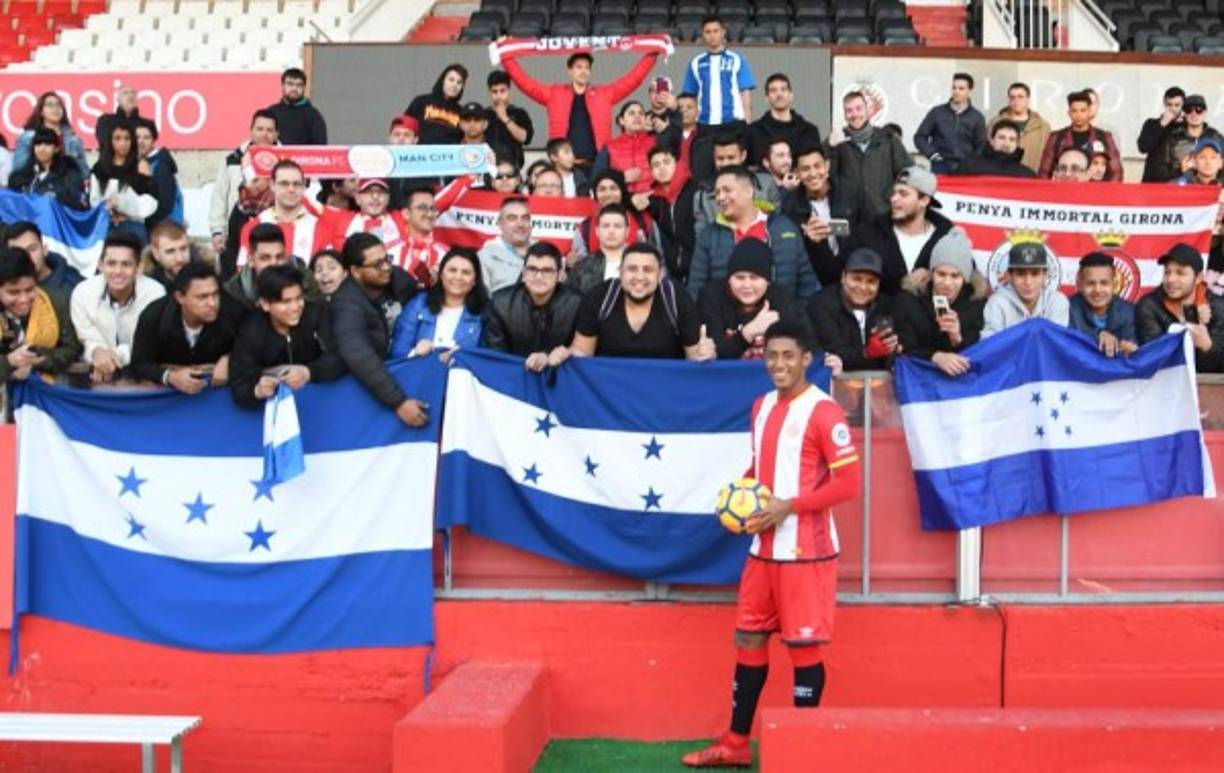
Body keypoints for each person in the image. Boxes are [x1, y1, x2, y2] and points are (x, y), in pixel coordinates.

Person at [680, 320, 860, 770]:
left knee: (803, 646)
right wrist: (737, 498)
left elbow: (849, 485)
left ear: (806, 360)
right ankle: (736, 744)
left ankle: (803, 753)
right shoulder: (760, 405)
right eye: (771, 356)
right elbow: (761, 467)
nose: (778, 364)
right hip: (763, 548)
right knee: (748, 635)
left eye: (788, 356)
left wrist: (790, 507)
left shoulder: (824, 412)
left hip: (807, 551)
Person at [329, 232, 427, 426]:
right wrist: (398, 402)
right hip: (376, 390)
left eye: (387, 259)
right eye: (377, 264)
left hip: (409, 370)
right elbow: (358, 354)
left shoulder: (397, 278)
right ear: (355, 271)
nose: (386, 268)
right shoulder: (346, 304)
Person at [502, 48, 659, 165]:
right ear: (570, 71)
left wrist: (653, 53)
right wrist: (505, 56)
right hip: (563, 164)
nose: (583, 71)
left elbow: (633, 79)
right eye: (579, 67)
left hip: (598, 163)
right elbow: (524, 83)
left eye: (586, 67)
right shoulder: (554, 93)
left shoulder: (604, 94)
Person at [688, 165, 819, 301]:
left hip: (783, 318)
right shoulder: (709, 236)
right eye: (717, 192)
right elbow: (696, 290)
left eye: (727, 190)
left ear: (749, 191)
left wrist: (795, 318)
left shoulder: (784, 227)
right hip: (727, 320)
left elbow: (808, 284)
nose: (720, 198)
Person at [567, 242, 713, 360]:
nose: (640, 277)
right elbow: (582, 353)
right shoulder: (599, 297)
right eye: (632, 269)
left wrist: (706, 353)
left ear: (660, 275)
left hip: (664, 390)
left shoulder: (677, 299)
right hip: (609, 391)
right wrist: (563, 354)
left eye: (648, 269)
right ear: (620, 272)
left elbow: (695, 358)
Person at [228, 264, 344, 409]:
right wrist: (257, 390)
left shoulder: (317, 315)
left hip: (321, 405)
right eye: (286, 302)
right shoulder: (251, 332)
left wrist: (308, 372)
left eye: (299, 298)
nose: (295, 307)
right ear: (265, 304)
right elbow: (239, 384)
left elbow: (340, 357)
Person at [697, 238, 820, 362]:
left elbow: (810, 347)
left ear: (767, 282)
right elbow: (715, 354)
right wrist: (749, 332)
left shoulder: (782, 300)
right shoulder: (712, 297)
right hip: (726, 378)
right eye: (740, 278)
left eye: (754, 278)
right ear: (729, 279)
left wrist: (829, 360)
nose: (747, 285)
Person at [130, 261, 245, 393]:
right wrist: (169, 376)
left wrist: (231, 359)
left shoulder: (234, 313)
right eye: (202, 297)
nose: (212, 303)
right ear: (180, 297)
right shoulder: (155, 316)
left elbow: (256, 349)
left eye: (215, 294)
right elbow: (139, 363)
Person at [69, 231, 165, 383]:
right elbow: (87, 339)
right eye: (111, 264)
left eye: (126, 264)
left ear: (139, 267)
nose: (118, 272)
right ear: (100, 265)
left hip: (145, 375)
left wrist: (110, 356)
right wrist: (96, 351)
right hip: (98, 376)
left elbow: (149, 345)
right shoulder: (82, 293)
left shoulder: (155, 294)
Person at [842, 167, 953, 296]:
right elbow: (837, 274)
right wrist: (818, 244)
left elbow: (962, 277)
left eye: (903, 194)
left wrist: (933, 275)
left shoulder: (946, 236)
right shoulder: (869, 231)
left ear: (924, 201)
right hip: (879, 314)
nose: (894, 199)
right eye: (894, 193)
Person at [891, 228, 987, 376]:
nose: (947, 283)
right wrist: (935, 357)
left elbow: (979, 355)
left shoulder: (976, 305)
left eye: (955, 276)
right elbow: (903, 347)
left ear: (966, 278)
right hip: (918, 381)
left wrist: (957, 338)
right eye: (941, 274)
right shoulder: (908, 300)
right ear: (931, 273)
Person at [483, 242, 581, 370]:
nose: (539, 276)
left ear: (560, 275)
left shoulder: (578, 303)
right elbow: (495, 357)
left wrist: (551, 356)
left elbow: (583, 352)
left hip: (560, 377)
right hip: (512, 377)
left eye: (547, 270)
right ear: (523, 273)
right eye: (532, 269)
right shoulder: (500, 303)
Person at [807, 248, 905, 371]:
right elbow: (833, 352)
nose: (863, 287)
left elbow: (897, 352)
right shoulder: (821, 304)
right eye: (857, 279)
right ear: (843, 277)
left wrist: (892, 349)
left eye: (871, 281)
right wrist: (867, 353)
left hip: (880, 383)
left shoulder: (887, 305)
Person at [1136, 243, 1224, 373]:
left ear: (1199, 278)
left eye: (1180, 273)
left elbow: (1219, 368)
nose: (1171, 279)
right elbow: (1155, 360)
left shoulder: (1218, 306)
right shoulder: (1149, 305)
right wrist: (1186, 327)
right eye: (1167, 272)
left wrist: (1206, 346)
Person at [827, 91, 911, 226]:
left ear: (868, 110)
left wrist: (892, 196)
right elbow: (825, 176)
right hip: (849, 217)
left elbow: (907, 172)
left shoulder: (888, 138)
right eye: (849, 110)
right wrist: (829, 147)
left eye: (859, 108)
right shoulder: (836, 141)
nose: (854, 114)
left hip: (883, 214)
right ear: (844, 115)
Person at [0, 245, 82, 383]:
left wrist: (37, 359)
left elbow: (72, 349)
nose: (23, 299)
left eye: (30, 289)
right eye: (13, 292)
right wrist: (9, 362)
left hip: (44, 388)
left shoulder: (56, 301)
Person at [390, 247, 487, 358]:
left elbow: (487, 362)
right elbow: (397, 353)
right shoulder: (419, 304)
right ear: (441, 274)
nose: (458, 277)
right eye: (452, 270)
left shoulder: (485, 313)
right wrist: (415, 353)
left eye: (466, 272)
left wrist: (460, 358)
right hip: (418, 372)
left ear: (475, 280)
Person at [209, 109, 279, 261]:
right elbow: (219, 197)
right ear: (251, 130)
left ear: (276, 134)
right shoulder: (233, 159)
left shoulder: (286, 162)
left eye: (269, 130)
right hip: (235, 232)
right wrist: (217, 231)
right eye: (259, 129)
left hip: (274, 232)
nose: (264, 134)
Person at [781, 143, 851, 289]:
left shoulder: (850, 192)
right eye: (805, 169)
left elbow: (865, 232)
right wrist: (810, 241)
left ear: (827, 166)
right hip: (814, 279)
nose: (813, 174)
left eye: (817, 166)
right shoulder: (790, 205)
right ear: (796, 172)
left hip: (851, 273)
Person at [236, 160, 322, 268]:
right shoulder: (253, 226)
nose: (291, 189)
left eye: (297, 184)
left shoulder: (321, 227)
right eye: (284, 184)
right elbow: (244, 273)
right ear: (272, 185)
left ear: (304, 186)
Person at [570, 169, 661, 264]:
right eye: (602, 189)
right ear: (595, 194)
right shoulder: (584, 228)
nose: (608, 194)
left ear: (622, 191)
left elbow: (658, 257)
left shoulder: (644, 221)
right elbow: (581, 267)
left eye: (613, 188)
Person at [981, 242, 1070, 337]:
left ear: (1045, 275)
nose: (1028, 282)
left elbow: (1056, 343)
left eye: (1035, 274)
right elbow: (990, 344)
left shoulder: (1057, 302)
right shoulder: (997, 303)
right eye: (1020, 274)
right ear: (1009, 276)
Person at [89, 122, 157, 244]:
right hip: (105, 226)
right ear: (110, 141)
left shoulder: (141, 166)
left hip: (133, 226)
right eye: (118, 138)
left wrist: (123, 205)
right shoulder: (100, 167)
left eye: (127, 138)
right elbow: (94, 199)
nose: (123, 143)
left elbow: (150, 202)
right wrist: (107, 209)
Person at [226, 223, 321, 310]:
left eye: (279, 257)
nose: (274, 264)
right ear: (251, 261)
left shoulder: (302, 276)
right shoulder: (234, 291)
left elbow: (318, 311)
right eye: (265, 258)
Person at [683, 15, 755, 127]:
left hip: (734, 123)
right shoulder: (695, 63)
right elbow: (690, 97)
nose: (712, 35)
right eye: (708, 32)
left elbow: (745, 94)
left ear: (723, 32)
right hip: (704, 124)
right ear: (702, 34)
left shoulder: (737, 59)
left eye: (716, 31)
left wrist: (748, 124)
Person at [1039, 90, 1123, 181]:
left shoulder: (1104, 137)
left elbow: (1116, 172)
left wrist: (1105, 193)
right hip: (1064, 191)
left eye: (1083, 110)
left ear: (1089, 111)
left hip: (1095, 192)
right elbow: (1044, 172)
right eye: (1074, 111)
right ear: (1069, 113)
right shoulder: (1056, 137)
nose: (1079, 115)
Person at [913, 72, 987, 174]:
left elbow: (981, 145)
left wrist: (973, 162)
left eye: (961, 88)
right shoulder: (937, 112)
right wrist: (932, 154)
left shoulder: (977, 117)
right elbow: (919, 137)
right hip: (940, 166)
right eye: (954, 88)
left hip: (966, 168)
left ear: (970, 91)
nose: (956, 91)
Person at [1068, 252, 1137, 358]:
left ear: (1114, 285)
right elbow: (1067, 344)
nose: (1098, 290)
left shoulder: (1128, 311)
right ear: (1080, 285)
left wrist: (1130, 348)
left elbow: (1134, 348)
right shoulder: (1068, 308)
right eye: (1091, 283)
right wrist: (1098, 335)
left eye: (1104, 283)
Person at [747, 73, 821, 168]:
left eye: (783, 89)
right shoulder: (753, 132)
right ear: (766, 98)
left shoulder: (809, 131)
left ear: (791, 96)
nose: (779, 94)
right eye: (773, 90)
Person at [12, 91, 89, 178]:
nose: (55, 109)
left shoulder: (74, 140)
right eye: (50, 105)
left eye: (58, 105)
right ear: (41, 112)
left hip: (66, 187)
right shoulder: (28, 137)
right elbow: (18, 169)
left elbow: (84, 173)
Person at [7, 127, 85, 209]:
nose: (42, 149)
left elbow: (76, 204)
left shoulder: (70, 175)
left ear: (56, 149)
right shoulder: (18, 177)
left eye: (47, 144)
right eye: (38, 144)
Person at [1152, 94, 1223, 183]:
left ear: (1205, 112)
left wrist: (1218, 186)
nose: (1194, 114)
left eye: (1199, 110)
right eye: (1189, 110)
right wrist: (1180, 170)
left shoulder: (1215, 137)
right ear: (1184, 113)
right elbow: (1159, 172)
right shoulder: (1172, 138)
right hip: (1181, 190)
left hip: (1211, 191)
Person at [5, 221, 84, 297]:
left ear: (45, 250)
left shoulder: (74, 287)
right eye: (18, 252)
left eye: (32, 249)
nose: (26, 256)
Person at [987, 82, 1050, 174]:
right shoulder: (995, 123)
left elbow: (1048, 157)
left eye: (1020, 97)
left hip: (1032, 178)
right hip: (1001, 177)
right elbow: (987, 151)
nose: (1016, 101)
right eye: (1012, 97)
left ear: (1028, 99)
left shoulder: (1042, 126)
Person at [133, 118, 183, 230]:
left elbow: (165, 206)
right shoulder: (137, 163)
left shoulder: (161, 166)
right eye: (137, 137)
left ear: (153, 140)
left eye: (146, 137)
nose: (140, 141)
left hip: (162, 232)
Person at [478, 195, 535, 294]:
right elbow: (483, 301)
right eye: (512, 218)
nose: (520, 224)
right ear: (500, 223)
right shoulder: (484, 257)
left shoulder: (546, 252)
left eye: (525, 218)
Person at [569, 204, 631, 294]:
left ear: (627, 231)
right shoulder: (581, 268)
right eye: (606, 226)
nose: (611, 231)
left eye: (617, 226)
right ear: (597, 231)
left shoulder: (640, 265)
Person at [598, 101, 654, 194]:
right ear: (621, 120)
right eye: (632, 113)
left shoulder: (654, 142)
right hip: (621, 204)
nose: (637, 116)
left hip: (653, 202)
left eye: (641, 113)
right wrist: (621, 177)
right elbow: (597, 178)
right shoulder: (609, 146)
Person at [405, 63, 468, 145]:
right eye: (451, 80)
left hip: (449, 155)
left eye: (459, 82)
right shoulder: (421, 101)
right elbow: (404, 127)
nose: (454, 85)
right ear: (442, 80)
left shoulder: (461, 112)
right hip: (421, 154)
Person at [400, 188, 450, 285]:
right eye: (422, 208)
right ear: (406, 214)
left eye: (433, 209)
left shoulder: (447, 254)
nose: (429, 214)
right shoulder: (389, 249)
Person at [484, 69, 533, 169]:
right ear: (489, 92)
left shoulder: (519, 113)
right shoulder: (483, 114)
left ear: (509, 90)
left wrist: (505, 118)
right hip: (487, 167)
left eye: (502, 91)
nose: (499, 96)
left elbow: (525, 138)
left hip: (513, 167)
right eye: (494, 92)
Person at [265, 67, 328, 146]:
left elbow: (320, 149)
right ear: (283, 85)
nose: (294, 88)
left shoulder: (314, 116)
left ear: (304, 88)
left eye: (299, 85)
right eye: (290, 84)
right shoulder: (271, 113)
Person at [957, 120, 1036, 178]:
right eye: (1002, 138)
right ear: (991, 141)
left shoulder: (1027, 175)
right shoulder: (970, 166)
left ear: (1017, 144)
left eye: (1012, 139)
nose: (1006, 143)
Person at [1139, 87, 1186, 182]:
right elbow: (1143, 147)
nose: (1173, 109)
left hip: (1177, 182)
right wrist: (1162, 124)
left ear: (1183, 105)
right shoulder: (1151, 124)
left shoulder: (1187, 127)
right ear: (1164, 104)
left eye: (1177, 105)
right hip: (1152, 182)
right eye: (1169, 105)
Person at [143, 221, 194, 290]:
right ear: (156, 254)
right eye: (170, 251)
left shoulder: (208, 274)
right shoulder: (145, 287)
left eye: (183, 249)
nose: (179, 258)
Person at [95, 83, 141, 150]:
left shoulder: (144, 123)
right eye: (125, 93)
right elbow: (105, 141)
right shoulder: (106, 120)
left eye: (133, 93)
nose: (130, 95)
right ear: (118, 99)